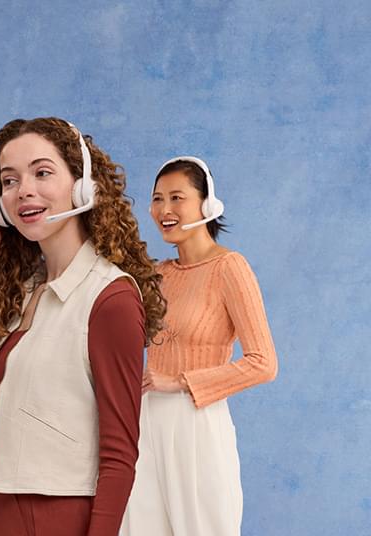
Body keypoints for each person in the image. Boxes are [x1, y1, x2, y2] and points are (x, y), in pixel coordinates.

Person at [0, 118, 167, 536]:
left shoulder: (110, 299)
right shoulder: (21, 293)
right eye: (10, 180)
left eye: (42, 172)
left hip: (58, 519)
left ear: (81, 185)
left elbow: (119, 453)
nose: (25, 190)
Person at [119, 156, 278, 536]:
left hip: (197, 424)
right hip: (145, 423)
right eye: (157, 199)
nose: (164, 210)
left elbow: (263, 363)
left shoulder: (230, 268)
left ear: (206, 205)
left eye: (177, 198)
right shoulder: (157, 275)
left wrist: (180, 382)